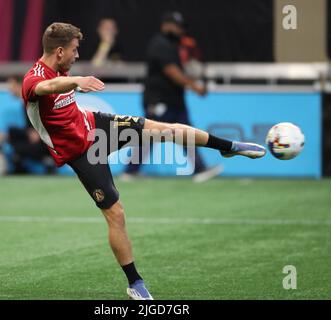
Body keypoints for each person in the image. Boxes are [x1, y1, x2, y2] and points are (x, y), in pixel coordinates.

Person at [22, 22, 266, 300]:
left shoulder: (61, 66)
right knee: (116, 213)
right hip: (81, 153)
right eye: (75, 50)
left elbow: (59, 81)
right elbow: (47, 86)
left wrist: (75, 80)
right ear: (60, 51)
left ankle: (228, 146)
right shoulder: (34, 79)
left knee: (166, 130)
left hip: (95, 125)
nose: (78, 56)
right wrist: (77, 81)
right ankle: (134, 283)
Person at [123, 12, 223, 182]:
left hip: (175, 99)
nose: (179, 30)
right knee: (150, 133)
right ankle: (130, 171)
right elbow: (171, 71)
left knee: (186, 133)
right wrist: (195, 86)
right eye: (176, 26)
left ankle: (199, 168)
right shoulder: (159, 43)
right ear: (166, 25)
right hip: (159, 99)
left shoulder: (175, 46)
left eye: (181, 27)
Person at [7, 76, 55, 174]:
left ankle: (46, 159)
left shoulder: (32, 98)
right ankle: (19, 160)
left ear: (19, 85)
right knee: (12, 132)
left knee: (16, 138)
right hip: (34, 135)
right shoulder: (24, 101)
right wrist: (30, 132)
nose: (9, 88)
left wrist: (39, 132)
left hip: (44, 137)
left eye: (11, 85)